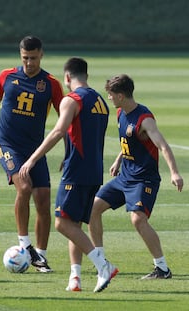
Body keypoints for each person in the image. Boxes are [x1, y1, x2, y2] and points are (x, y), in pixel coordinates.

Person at [0, 36, 64, 272]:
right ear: (20, 55)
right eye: (25, 58)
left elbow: (64, 118)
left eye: (34, 58)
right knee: (25, 187)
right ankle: (24, 244)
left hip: (35, 150)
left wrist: (69, 151)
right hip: (7, 145)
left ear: (42, 55)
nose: (29, 63)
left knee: (43, 200)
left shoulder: (50, 84)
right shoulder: (7, 76)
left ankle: (41, 257)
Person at [20, 57, 118, 293]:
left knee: (62, 223)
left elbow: (59, 130)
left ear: (66, 77)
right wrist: (68, 153)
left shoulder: (71, 100)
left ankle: (103, 265)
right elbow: (81, 133)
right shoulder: (100, 101)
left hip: (77, 171)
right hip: (94, 170)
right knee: (74, 224)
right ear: (86, 75)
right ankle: (75, 277)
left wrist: (33, 159)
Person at [89, 74, 184, 280]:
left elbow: (162, 145)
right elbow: (128, 140)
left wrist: (175, 172)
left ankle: (162, 268)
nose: (110, 99)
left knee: (138, 219)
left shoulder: (144, 119)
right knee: (93, 208)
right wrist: (119, 160)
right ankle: (100, 262)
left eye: (111, 95)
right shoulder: (121, 113)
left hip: (144, 179)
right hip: (125, 177)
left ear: (121, 95)